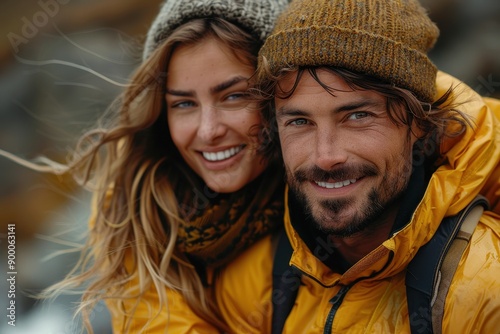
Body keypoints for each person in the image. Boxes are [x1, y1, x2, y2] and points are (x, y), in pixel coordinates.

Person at [0, 0, 290, 333]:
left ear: (281, 91)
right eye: (183, 103)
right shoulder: (135, 214)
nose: (208, 131)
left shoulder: (333, 217)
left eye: (234, 96)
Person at [215, 0, 500, 333]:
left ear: (419, 122)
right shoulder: (252, 282)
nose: (325, 156)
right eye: (300, 121)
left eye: (357, 116)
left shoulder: (484, 289)